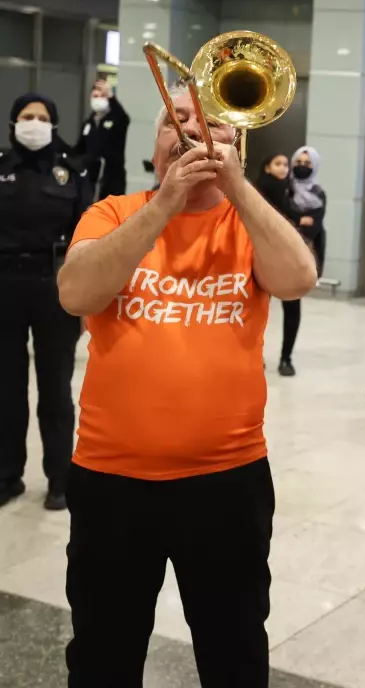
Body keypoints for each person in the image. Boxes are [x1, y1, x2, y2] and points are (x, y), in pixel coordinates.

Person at [56, 86, 317, 686]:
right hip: (112, 478)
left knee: (234, 650)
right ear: (155, 151)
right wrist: (164, 205)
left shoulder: (247, 218)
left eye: (215, 129)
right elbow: (76, 293)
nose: (193, 134)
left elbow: (298, 278)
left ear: (238, 151)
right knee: (103, 651)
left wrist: (237, 190)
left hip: (228, 480)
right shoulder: (114, 213)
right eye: (176, 125)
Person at [0, 93, 91, 511]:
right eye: (25, 116)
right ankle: (7, 475)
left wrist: (88, 300)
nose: (33, 123)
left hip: (55, 287)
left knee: (55, 388)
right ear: (13, 122)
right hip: (4, 286)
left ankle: (60, 478)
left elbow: (87, 236)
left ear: (53, 124)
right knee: (6, 387)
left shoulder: (72, 170)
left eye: (41, 117)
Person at [282, 146, 326, 376]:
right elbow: (277, 215)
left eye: (308, 163)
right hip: (271, 252)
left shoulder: (318, 194)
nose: (302, 166)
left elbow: (314, 227)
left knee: (292, 308)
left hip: (297, 257)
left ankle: (286, 358)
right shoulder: (283, 188)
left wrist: (290, 220)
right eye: (298, 161)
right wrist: (299, 219)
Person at [74, 79, 129, 200]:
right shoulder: (88, 123)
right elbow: (80, 148)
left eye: (102, 96)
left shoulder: (115, 120)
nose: (98, 99)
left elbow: (124, 118)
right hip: (90, 177)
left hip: (111, 177)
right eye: (95, 96)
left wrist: (111, 96)